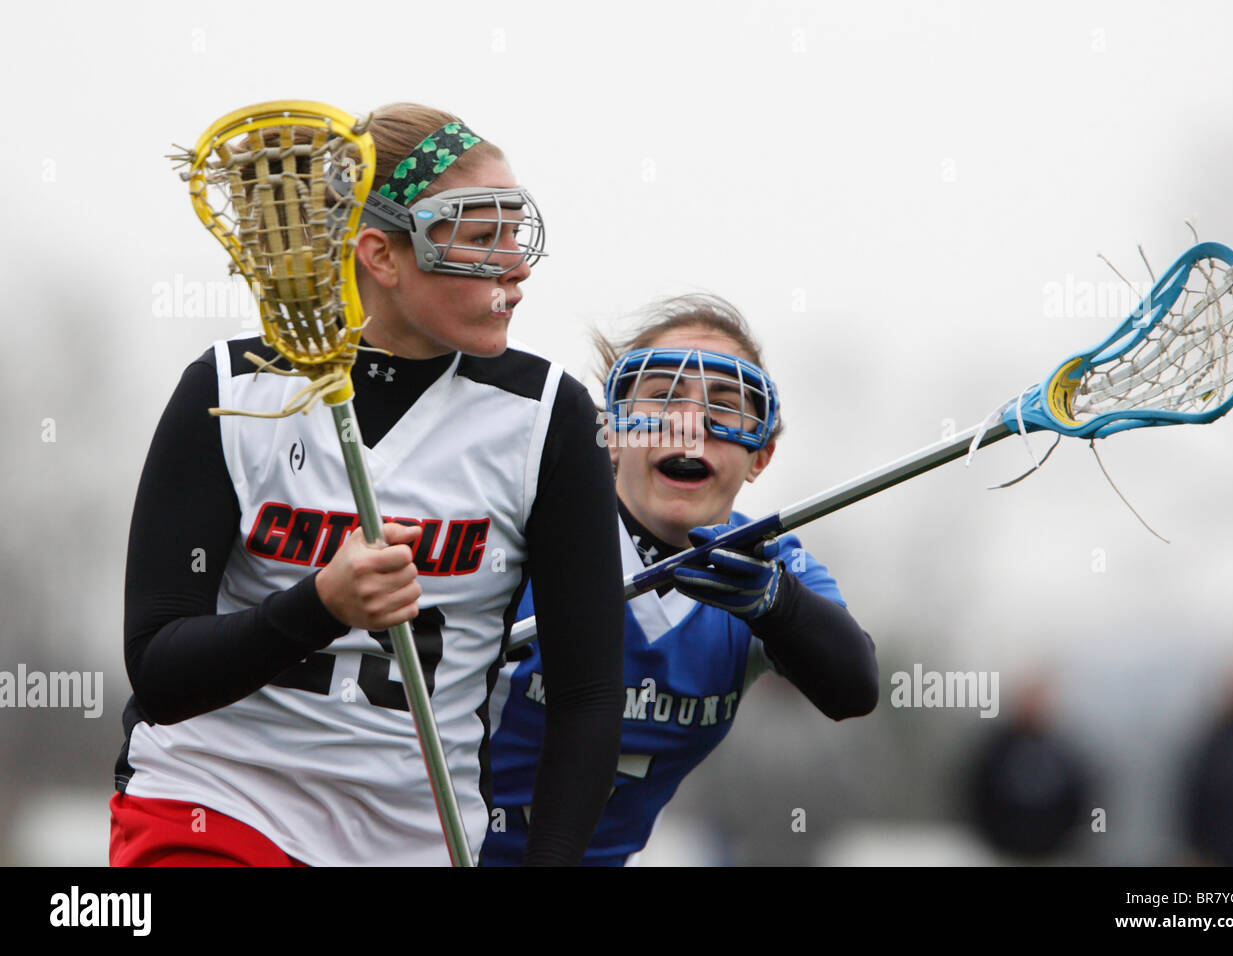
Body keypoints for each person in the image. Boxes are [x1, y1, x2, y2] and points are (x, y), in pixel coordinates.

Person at [110, 102, 625, 866]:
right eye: (481, 240)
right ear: (381, 256)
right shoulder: (230, 390)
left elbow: (587, 698)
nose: (515, 268)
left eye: (516, 234)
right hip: (216, 801)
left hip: (418, 836)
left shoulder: (548, 419)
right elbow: (159, 670)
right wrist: (320, 605)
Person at [481, 294, 879, 865]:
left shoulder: (771, 566)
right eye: (664, 398)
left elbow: (854, 688)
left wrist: (777, 605)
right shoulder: (520, 532)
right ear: (613, 435)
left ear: (760, 456)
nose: (691, 425)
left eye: (725, 406)